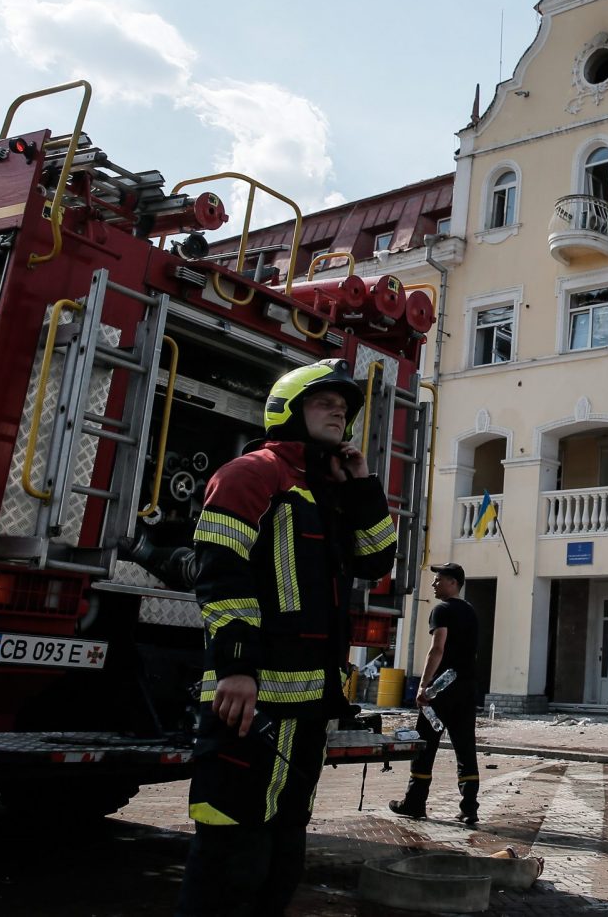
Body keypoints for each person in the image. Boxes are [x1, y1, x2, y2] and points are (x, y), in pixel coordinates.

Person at [176, 359, 397, 917]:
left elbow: (377, 560)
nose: (339, 410)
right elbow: (221, 576)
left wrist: (364, 484)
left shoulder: (330, 491)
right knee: (232, 845)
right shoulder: (251, 474)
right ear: (288, 411)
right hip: (248, 704)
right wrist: (235, 668)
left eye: (343, 407)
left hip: (307, 706)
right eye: (324, 402)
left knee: (284, 847)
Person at [390, 561, 481, 824]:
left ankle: (415, 803)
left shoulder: (441, 610)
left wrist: (423, 687)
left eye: (439, 579)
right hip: (466, 688)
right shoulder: (471, 612)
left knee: (425, 743)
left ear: (453, 583)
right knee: (465, 748)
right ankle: (469, 808)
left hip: (442, 690)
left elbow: (437, 649)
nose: (433, 583)